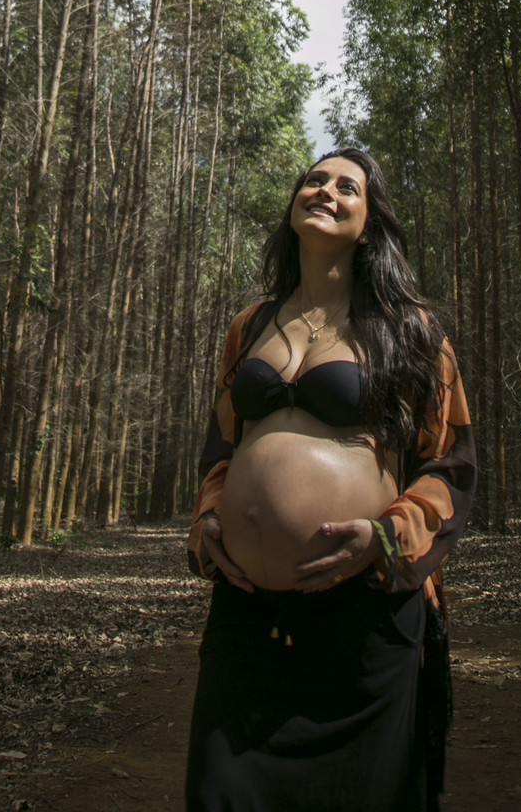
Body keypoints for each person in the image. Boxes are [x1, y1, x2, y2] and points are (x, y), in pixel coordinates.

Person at [186, 149, 475, 812]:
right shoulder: (248, 328)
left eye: (347, 186)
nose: (325, 190)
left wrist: (385, 536)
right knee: (219, 792)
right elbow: (220, 453)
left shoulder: (413, 332)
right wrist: (207, 523)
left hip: (363, 623)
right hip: (247, 619)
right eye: (314, 179)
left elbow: (451, 465)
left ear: (370, 224)